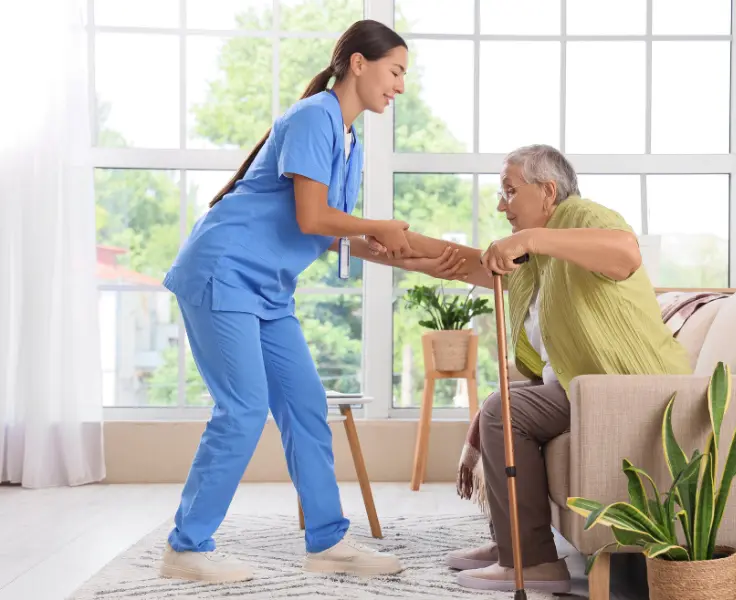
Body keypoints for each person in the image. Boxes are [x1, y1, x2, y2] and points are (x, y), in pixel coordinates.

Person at [158, 20, 416, 583]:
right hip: (223, 273)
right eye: (395, 71)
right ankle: (187, 546)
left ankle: (328, 544)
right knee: (244, 409)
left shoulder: (349, 141)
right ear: (357, 63)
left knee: (304, 406)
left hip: (270, 291)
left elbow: (330, 234)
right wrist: (379, 226)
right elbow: (312, 216)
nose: (399, 86)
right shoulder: (312, 117)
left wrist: (412, 255)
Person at [408, 144, 693, 593]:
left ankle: (533, 560)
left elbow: (625, 253)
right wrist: (368, 245)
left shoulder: (581, 216)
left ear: (547, 191)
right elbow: (459, 262)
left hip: (629, 388)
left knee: (507, 412)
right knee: (500, 405)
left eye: (509, 191)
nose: (501, 205)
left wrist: (530, 239)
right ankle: (513, 544)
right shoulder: (538, 259)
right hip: (585, 388)